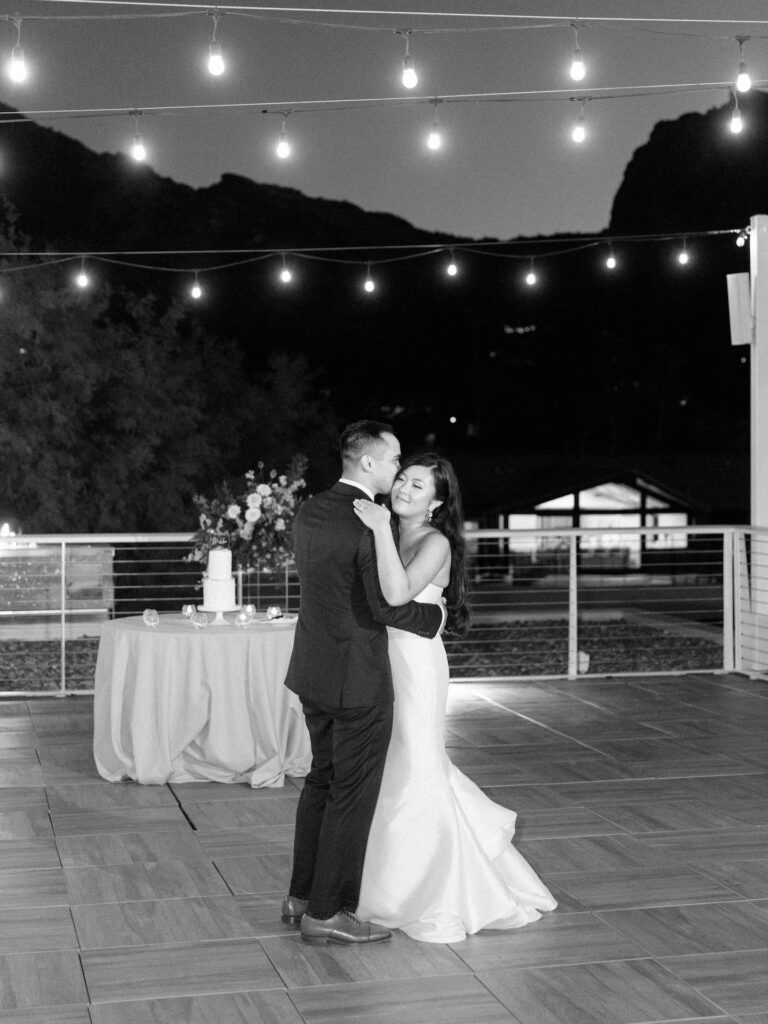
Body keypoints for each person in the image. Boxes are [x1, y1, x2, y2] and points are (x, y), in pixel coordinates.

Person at [353, 453, 557, 943]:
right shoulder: (387, 530)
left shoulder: (434, 541)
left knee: (416, 767)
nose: (403, 489)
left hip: (416, 666)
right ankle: (386, 881)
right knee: (391, 769)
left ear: (437, 502)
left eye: (417, 486)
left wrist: (378, 528)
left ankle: (431, 892)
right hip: (381, 660)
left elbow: (397, 595)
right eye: (402, 479)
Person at [282, 421, 445, 946]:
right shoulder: (366, 526)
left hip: (312, 670)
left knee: (320, 782)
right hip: (357, 680)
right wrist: (438, 618)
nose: (398, 470)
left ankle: (300, 896)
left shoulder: (310, 511)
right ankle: (327, 913)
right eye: (395, 460)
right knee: (350, 796)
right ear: (369, 462)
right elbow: (386, 606)